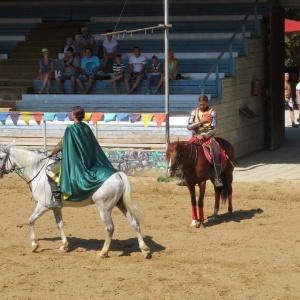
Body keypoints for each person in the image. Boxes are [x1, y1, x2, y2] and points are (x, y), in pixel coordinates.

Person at [46, 106, 117, 209]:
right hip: (87, 160)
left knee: (51, 173)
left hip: (75, 162)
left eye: (71, 113)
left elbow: (61, 145)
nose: (70, 114)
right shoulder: (86, 127)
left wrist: (51, 153)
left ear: (74, 115)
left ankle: (57, 200)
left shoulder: (71, 129)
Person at [177, 94, 223, 187]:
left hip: (208, 137)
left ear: (207, 102)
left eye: (204, 104)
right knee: (185, 152)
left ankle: (217, 177)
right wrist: (201, 121)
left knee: (217, 153)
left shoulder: (212, 112)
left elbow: (214, 128)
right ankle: (183, 177)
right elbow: (189, 126)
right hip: (195, 137)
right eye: (201, 104)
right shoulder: (194, 112)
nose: (202, 106)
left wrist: (204, 135)